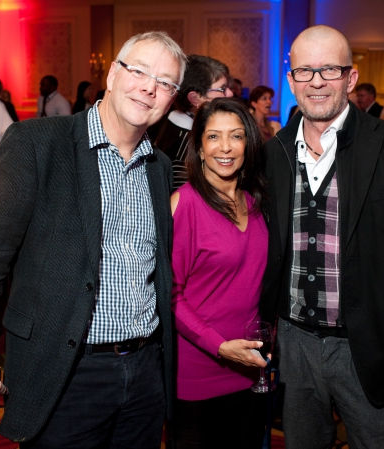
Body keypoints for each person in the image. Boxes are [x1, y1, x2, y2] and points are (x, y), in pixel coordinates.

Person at [0, 31, 187, 446]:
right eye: (139, 71)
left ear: (172, 97)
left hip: (145, 372)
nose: (149, 87)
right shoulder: (36, 143)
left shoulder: (158, 166)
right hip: (65, 372)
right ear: (111, 74)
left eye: (165, 82)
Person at [260, 25, 384, 447]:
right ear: (291, 80)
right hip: (295, 342)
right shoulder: (275, 152)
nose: (317, 81)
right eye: (305, 71)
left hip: (371, 343)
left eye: (329, 69)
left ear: (351, 77)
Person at [170, 97, 269, 448]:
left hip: (251, 370)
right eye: (213, 137)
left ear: (249, 144)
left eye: (236, 136)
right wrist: (221, 346)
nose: (225, 147)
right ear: (198, 147)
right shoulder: (185, 205)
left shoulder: (257, 204)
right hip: (197, 375)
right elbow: (170, 296)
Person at [151, 54, 232, 189]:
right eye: (222, 89)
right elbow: (180, 199)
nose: (229, 93)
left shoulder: (174, 122)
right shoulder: (185, 142)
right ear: (195, 98)